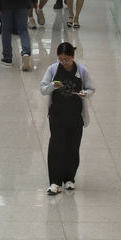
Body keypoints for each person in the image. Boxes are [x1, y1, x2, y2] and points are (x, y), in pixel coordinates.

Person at [40, 42, 95, 194]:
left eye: (67, 59)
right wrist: (53, 86)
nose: (64, 62)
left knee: (73, 146)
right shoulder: (52, 69)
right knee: (57, 146)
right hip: (57, 115)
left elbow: (91, 88)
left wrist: (86, 93)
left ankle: (69, 178)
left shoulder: (82, 70)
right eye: (61, 59)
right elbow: (43, 89)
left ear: (73, 56)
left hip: (75, 115)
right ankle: (55, 182)